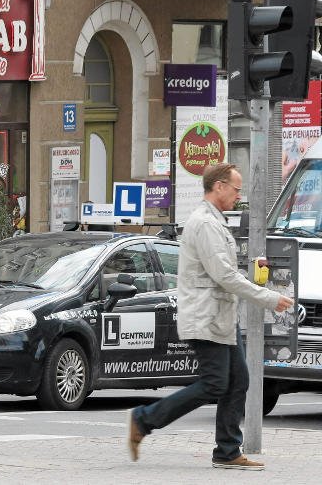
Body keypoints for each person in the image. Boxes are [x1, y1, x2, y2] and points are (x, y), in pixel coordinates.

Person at [128, 163, 293, 470]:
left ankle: (227, 451)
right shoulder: (204, 223)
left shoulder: (215, 221)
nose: (239, 195)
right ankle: (143, 419)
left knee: (238, 380)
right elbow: (225, 275)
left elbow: (224, 274)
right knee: (215, 383)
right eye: (236, 189)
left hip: (222, 319)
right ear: (219, 186)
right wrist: (269, 298)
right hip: (206, 318)